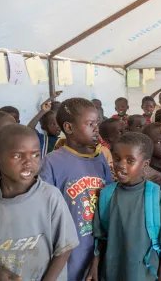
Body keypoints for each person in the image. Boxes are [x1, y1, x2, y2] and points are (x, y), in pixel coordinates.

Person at [0, 124, 79, 280]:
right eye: (18, 156)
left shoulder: (51, 197)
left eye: (35, 155)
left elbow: (64, 248)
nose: (29, 162)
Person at [40, 98, 113, 281]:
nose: (97, 129)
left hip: (98, 245)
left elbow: (109, 199)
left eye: (98, 123)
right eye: (90, 124)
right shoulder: (52, 161)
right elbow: (45, 209)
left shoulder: (100, 158)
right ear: (69, 128)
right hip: (70, 248)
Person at [88, 132, 161, 281]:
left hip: (145, 273)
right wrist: (94, 267)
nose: (121, 165)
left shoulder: (155, 197)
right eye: (117, 159)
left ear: (145, 164)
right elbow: (100, 237)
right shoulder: (108, 194)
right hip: (113, 271)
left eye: (130, 160)